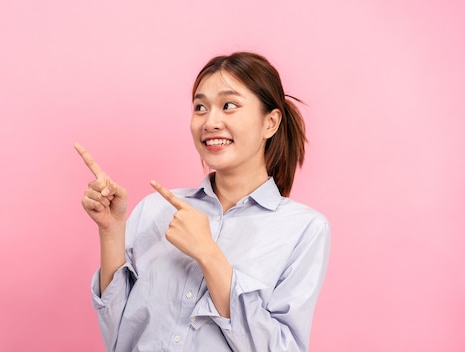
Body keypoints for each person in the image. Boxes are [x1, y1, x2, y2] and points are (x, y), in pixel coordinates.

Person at [74, 52, 330, 352]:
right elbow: (118, 337)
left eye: (228, 105)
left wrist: (208, 254)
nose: (210, 121)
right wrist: (111, 231)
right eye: (200, 107)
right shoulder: (156, 210)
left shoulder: (304, 229)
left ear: (270, 123)